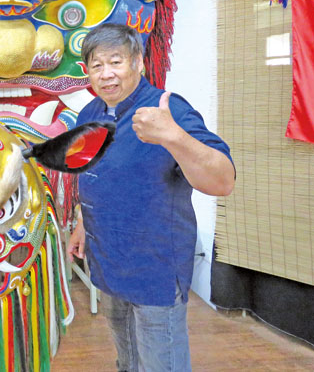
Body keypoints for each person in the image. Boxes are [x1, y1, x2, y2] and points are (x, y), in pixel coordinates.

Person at [67, 23, 235, 372]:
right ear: (86, 71)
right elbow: (92, 173)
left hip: (154, 266)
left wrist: (174, 136)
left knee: (160, 363)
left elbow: (223, 180)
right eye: (97, 65)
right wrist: (82, 221)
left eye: (116, 62)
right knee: (127, 359)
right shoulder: (89, 114)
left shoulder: (168, 110)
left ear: (139, 63)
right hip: (108, 258)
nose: (106, 73)